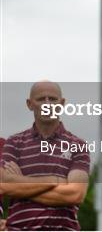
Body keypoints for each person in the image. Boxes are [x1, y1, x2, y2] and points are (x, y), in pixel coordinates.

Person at [0, 81, 90, 230]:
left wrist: (21, 184)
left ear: (62, 103)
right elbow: (4, 186)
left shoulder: (78, 145)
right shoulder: (13, 142)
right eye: (41, 99)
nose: (47, 104)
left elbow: (75, 194)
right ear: (29, 104)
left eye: (53, 99)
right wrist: (54, 180)